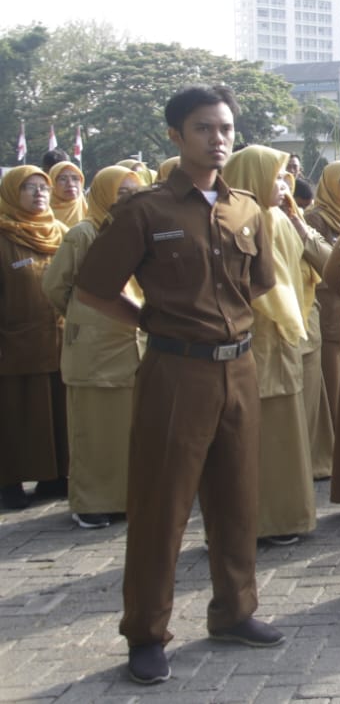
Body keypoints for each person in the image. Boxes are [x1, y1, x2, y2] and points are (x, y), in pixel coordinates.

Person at [73, 85, 283, 685]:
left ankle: (236, 612)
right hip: (174, 370)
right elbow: (92, 289)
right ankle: (145, 633)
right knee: (161, 507)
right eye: (203, 129)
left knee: (238, 500)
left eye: (224, 129)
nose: (217, 139)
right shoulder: (146, 211)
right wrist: (145, 320)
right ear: (175, 135)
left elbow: (261, 283)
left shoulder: (248, 209)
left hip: (238, 367)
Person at [222, 146, 330, 546]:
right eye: (276, 176)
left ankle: (288, 517)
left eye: (286, 176)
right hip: (251, 341)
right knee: (256, 437)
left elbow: (321, 267)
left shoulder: (283, 221)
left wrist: (299, 222)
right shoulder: (229, 223)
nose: (283, 184)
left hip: (288, 337)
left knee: (287, 435)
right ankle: (257, 522)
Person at [41, 166, 143, 527]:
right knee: (94, 430)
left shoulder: (140, 232)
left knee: (127, 432)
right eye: (121, 191)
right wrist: (83, 316)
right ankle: (91, 503)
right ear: (103, 194)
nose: (129, 198)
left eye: (135, 191)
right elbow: (55, 286)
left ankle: (128, 498)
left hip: (133, 345)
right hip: (93, 349)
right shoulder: (83, 234)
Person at [0, 167, 68, 512]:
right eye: (29, 188)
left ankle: (53, 477)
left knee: (55, 413)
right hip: (14, 345)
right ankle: (9, 482)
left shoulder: (61, 233)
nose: (39, 193)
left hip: (58, 341)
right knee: (15, 415)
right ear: (12, 192)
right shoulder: (4, 235)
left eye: (43, 187)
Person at [304, 161, 340, 482]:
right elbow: (325, 265)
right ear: (328, 185)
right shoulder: (315, 218)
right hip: (330, 307)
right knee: (334, 381)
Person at [49, 161, 87, 227]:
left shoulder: (90, 214)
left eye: (75, 178)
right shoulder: (41, 214)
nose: (70, 184)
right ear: (52, 183)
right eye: (63, 179)